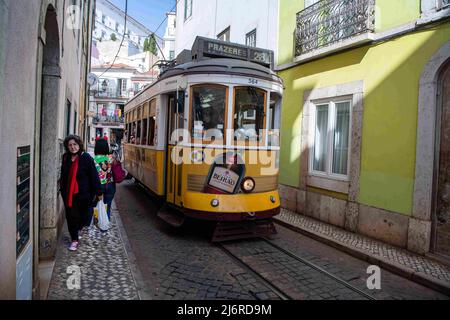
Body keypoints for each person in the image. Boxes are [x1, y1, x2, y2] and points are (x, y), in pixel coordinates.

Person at [60, 135, 103, 251]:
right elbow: (63, 175)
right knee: (71, 217)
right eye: (70, 145)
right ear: (67, 147)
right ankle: (74, 239)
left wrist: (99, 192)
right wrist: (62, 189)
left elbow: (94, 176)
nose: (73, 147)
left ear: (79, 145)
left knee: (84, 218)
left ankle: (79, 228)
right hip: (69, 195)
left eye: (75, 144)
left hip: (84, 195)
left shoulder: (86, 158)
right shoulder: (65, 158)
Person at [93, 137, 121, 221]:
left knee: (97, 205)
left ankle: (97, 222)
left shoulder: (93, 160)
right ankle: (106, 223)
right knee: (107, 206)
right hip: (110, 185)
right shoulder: (111, 158)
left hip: (98, 186)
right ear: (106, 147)